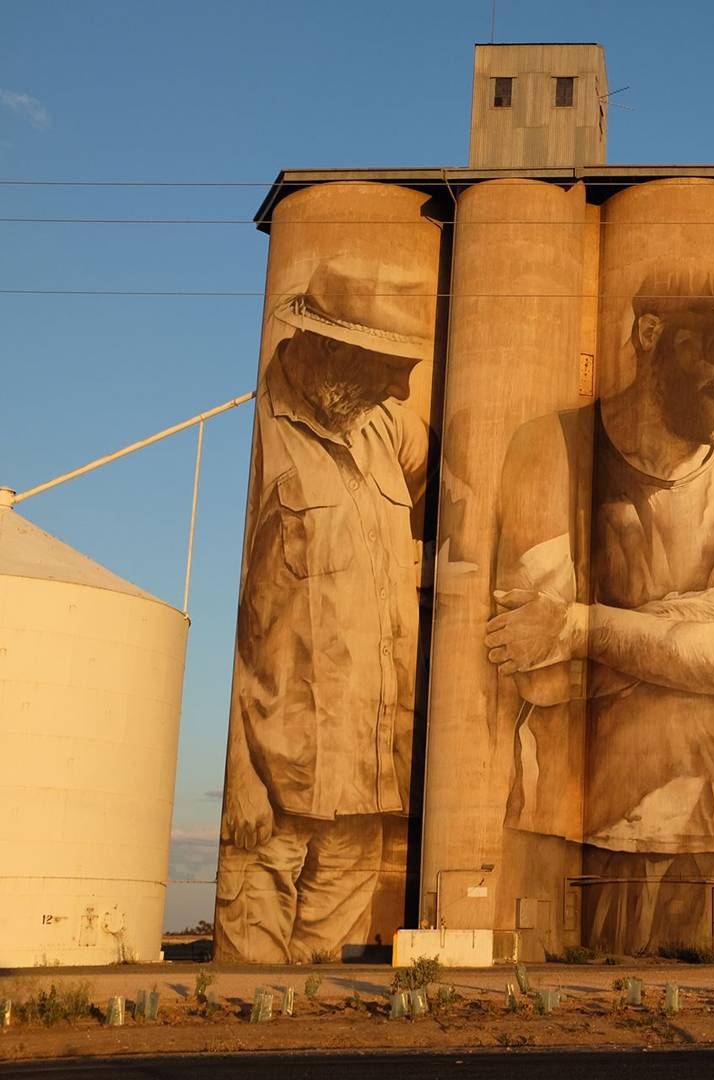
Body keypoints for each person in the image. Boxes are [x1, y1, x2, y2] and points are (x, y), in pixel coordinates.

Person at [485, 260, 714, 954]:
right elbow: (537, 670)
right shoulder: (553, 448)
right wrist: (702, 614)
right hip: (574, 832)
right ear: (652, 334)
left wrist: (581, 626)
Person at [215, 257, 435, 963]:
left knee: (316, 1002)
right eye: (391, 366)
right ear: (334, 350)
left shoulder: (380, 429)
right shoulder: (261, 439)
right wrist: (237, 776)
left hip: (364, 784)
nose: (403, 387)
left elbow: (453, 454)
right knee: (250, 989)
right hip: (275, 792)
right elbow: (241, 623)